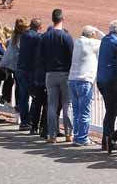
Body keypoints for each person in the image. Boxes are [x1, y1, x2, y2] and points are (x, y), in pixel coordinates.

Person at [38, 9, 74, 143]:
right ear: (62, 19)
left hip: (50, 73)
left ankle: (51, 135)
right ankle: (68, 134)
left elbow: (40, 56)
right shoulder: (66, 37)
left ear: (52, 19)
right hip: (65, 73)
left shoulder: (45, 36)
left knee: (51, 105)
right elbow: (72, 55)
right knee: (66, 104)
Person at [68, 25, 103, 146]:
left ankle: (77, 136)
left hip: (72, 79)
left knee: (77, 111)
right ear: (92, 35)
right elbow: (107, 41)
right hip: (84, 81)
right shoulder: (92, 44)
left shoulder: (77, 41)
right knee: (84, 112)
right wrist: (99, 31)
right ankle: (81, 138)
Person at [96, 20, 117, 152]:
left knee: (111, 111)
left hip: (101, 79)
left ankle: (107, 140)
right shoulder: (116, 42)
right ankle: (108, 141)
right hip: (109, 81)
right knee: (112, 112)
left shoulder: (105, 40)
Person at [18, 18, 42, 135]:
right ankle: (30, 120)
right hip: (31, 70)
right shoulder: (37, 37)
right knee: (35, 96)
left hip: (21, 68)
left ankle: (24, 121)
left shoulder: (24, 35)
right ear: (39, 27)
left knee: (23, 96)